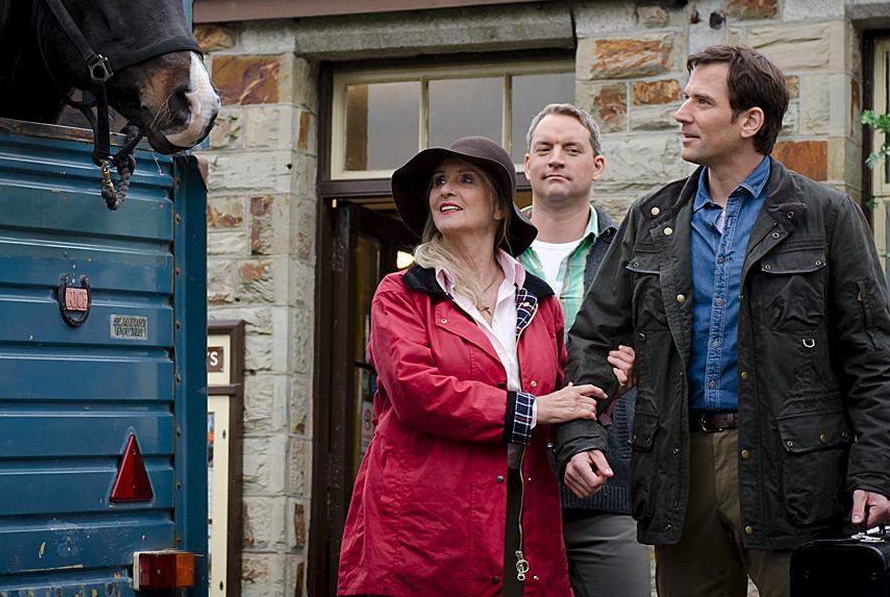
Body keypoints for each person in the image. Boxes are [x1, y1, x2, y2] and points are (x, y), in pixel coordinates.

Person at [554, 44, 890, 597]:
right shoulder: (651, 218)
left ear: (749, 121)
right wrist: (579, 434)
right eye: (685, 99)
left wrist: (874, 470)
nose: (681, 113)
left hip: (797, 472)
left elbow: (872, 358)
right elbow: (590, 338)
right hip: (678, 468)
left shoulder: (825, 216)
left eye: (700, 102)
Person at [336, 136, 608, 597]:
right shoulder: (401, 293)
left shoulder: (539, 301)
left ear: (501, 207)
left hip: (522, 513)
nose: (446, 190)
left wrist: (580, 444)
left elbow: (563, 394)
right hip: (424, 525)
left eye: (465, 180)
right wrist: (532, 411)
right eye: (439, 182)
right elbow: (416, 391)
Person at [520, 104, 651, 597]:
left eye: (572, 149)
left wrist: (645, 364)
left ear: (596, 165)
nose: (557, 159)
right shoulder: (492, 255)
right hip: (510, 481)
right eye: (545, 149)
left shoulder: (634, 252)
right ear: (527, 163)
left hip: (608, 482)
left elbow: (672, 343)